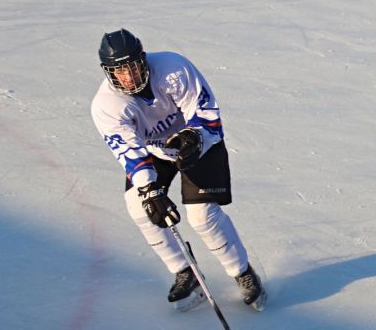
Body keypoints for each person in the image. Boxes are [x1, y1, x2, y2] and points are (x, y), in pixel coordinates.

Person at [91, 28, 266, 312]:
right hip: (154, 151)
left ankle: (242, 272)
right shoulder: (107, 106)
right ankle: (185, 272)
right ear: (107, 72)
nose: (128, 77)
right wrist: (149, 190)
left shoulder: (173, 67)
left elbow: (207, 114)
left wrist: (194, 137)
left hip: (198, 144)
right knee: (139, 206)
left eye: (133, 67)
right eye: (119, 71)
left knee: (201, 216)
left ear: (143, 60)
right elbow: (129, 151)